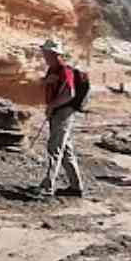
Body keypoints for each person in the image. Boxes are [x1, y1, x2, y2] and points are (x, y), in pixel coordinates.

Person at [37, 38, 89, 197]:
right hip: (59, 112)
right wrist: (45, 81)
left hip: (62, 113)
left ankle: (47, 187)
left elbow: (69, 94)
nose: (44, 56)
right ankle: (76, 187)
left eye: (46, 53)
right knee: (66, 150)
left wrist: (52, 106)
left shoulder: (64, 71)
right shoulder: (52, 70)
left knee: (55, 148)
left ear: (54, 54)